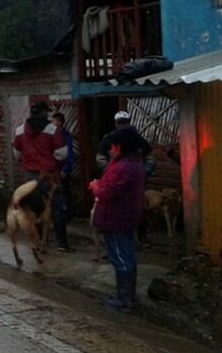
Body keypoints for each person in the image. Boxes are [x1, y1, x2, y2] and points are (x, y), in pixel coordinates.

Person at [89, 126, 147, 311]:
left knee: (121, 257)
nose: (110, 149)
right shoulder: (134, 163)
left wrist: (95, 186)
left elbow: (108, 192)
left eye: (113, 145)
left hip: (115, 218)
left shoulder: (123, 167)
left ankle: (124, 299)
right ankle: (128, 296)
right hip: (126, 217)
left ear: (120, 146)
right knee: (127, 255)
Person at [97, 111, 156, 247]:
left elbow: (150, 158)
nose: (122, 125)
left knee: (139, 209)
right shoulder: (109, 140)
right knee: (116, 211)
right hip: (116, 181)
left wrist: (143, 172)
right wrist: (110, 172)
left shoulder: (138, 140)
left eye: (125, 122)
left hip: (135, 183)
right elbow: (100, 158)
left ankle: (141, 238)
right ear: (116, 123)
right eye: (120, 123)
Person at [13, 101, 68, 182]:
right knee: (50, 194)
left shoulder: (19, 130)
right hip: (49, 175)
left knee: (32, 194)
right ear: (44, 112)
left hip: (30, 175)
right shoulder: (53, 130)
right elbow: (62, 155)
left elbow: (17, 155)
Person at [50, 112, 75, 252]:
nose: (51, 123)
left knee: (63, 197)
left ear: (59, 122)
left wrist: (65, 170)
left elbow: (70, 155)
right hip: (54, 172)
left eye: (53, 121)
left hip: (62, 171)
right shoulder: (52, 135)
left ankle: (67, 217)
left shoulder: (65, 135)